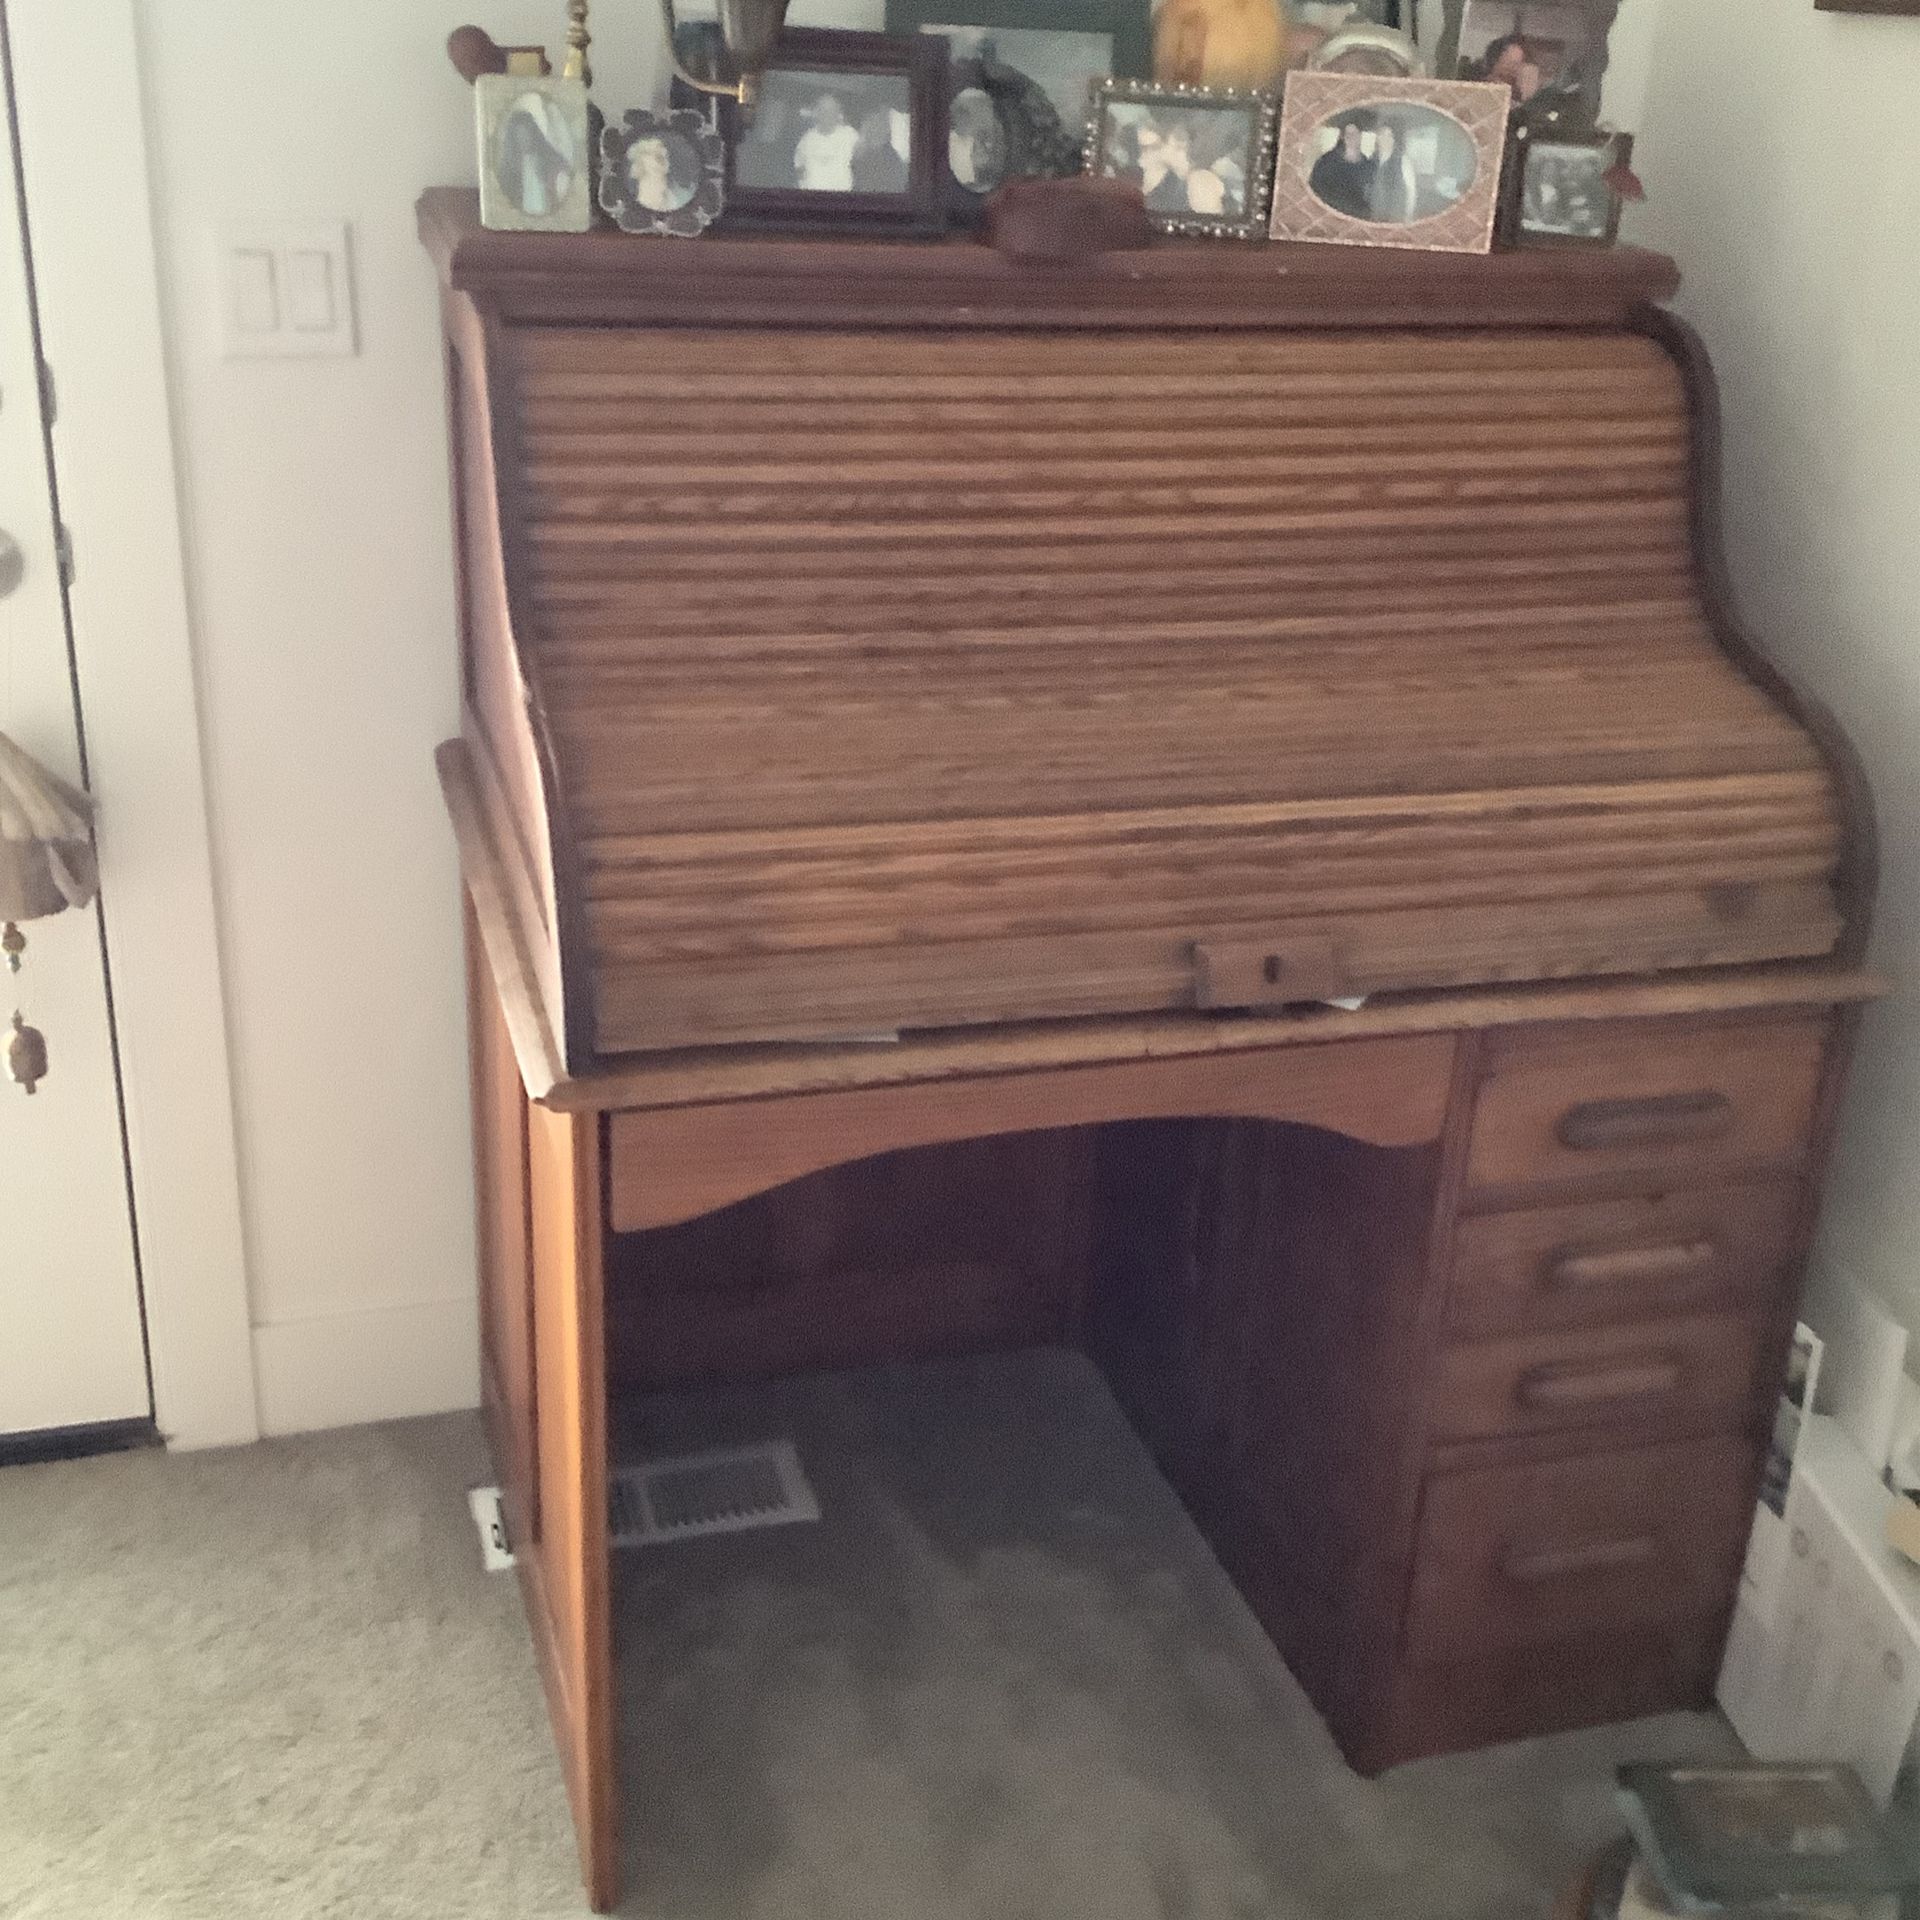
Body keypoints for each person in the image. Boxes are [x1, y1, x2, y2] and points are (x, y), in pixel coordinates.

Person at [496, 95, 575, 217]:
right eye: (519, 135)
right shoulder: (507, 168)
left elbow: (568, 171)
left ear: (533, 133)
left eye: (527, 133)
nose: (524, 139)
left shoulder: (548, 155)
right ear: (513, 138)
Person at [1308, 115, 1375, 220]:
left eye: (1355, 133)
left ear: (1360, 136)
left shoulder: (1368, 165)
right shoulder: (1327, 161)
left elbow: (1370, 197)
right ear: (1342, 137)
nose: (1351, 137)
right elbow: (1315, 190)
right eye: (1348, 134)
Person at [793, 93, 859, 191]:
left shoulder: (850, 134)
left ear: (838, 113)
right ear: (816, 112)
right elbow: (799, 166)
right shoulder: (806, 139)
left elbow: (864, 162)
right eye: (822, 109)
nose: (826, 113)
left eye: (831, 109)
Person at [627, 133, 697, 214]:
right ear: (639, 161)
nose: (662, 157)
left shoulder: (684, 195)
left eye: (665, 155)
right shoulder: (638, 199)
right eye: (653, 153)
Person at [1367, 117, 1419, 222]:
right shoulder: (1371, 161)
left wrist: (1407, 219)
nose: (1385, 139)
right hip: (1374, 219)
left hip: (1396, 219)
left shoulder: (1403, 161)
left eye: (1389, 135)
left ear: (1394, 139)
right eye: (1381, 134)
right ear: (1377, 138)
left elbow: (1411, 193)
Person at [852, 107, 909, 193]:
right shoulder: (859, 154)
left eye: (878, 125)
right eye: (871, 124)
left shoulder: (892, 158)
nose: (874, 128)